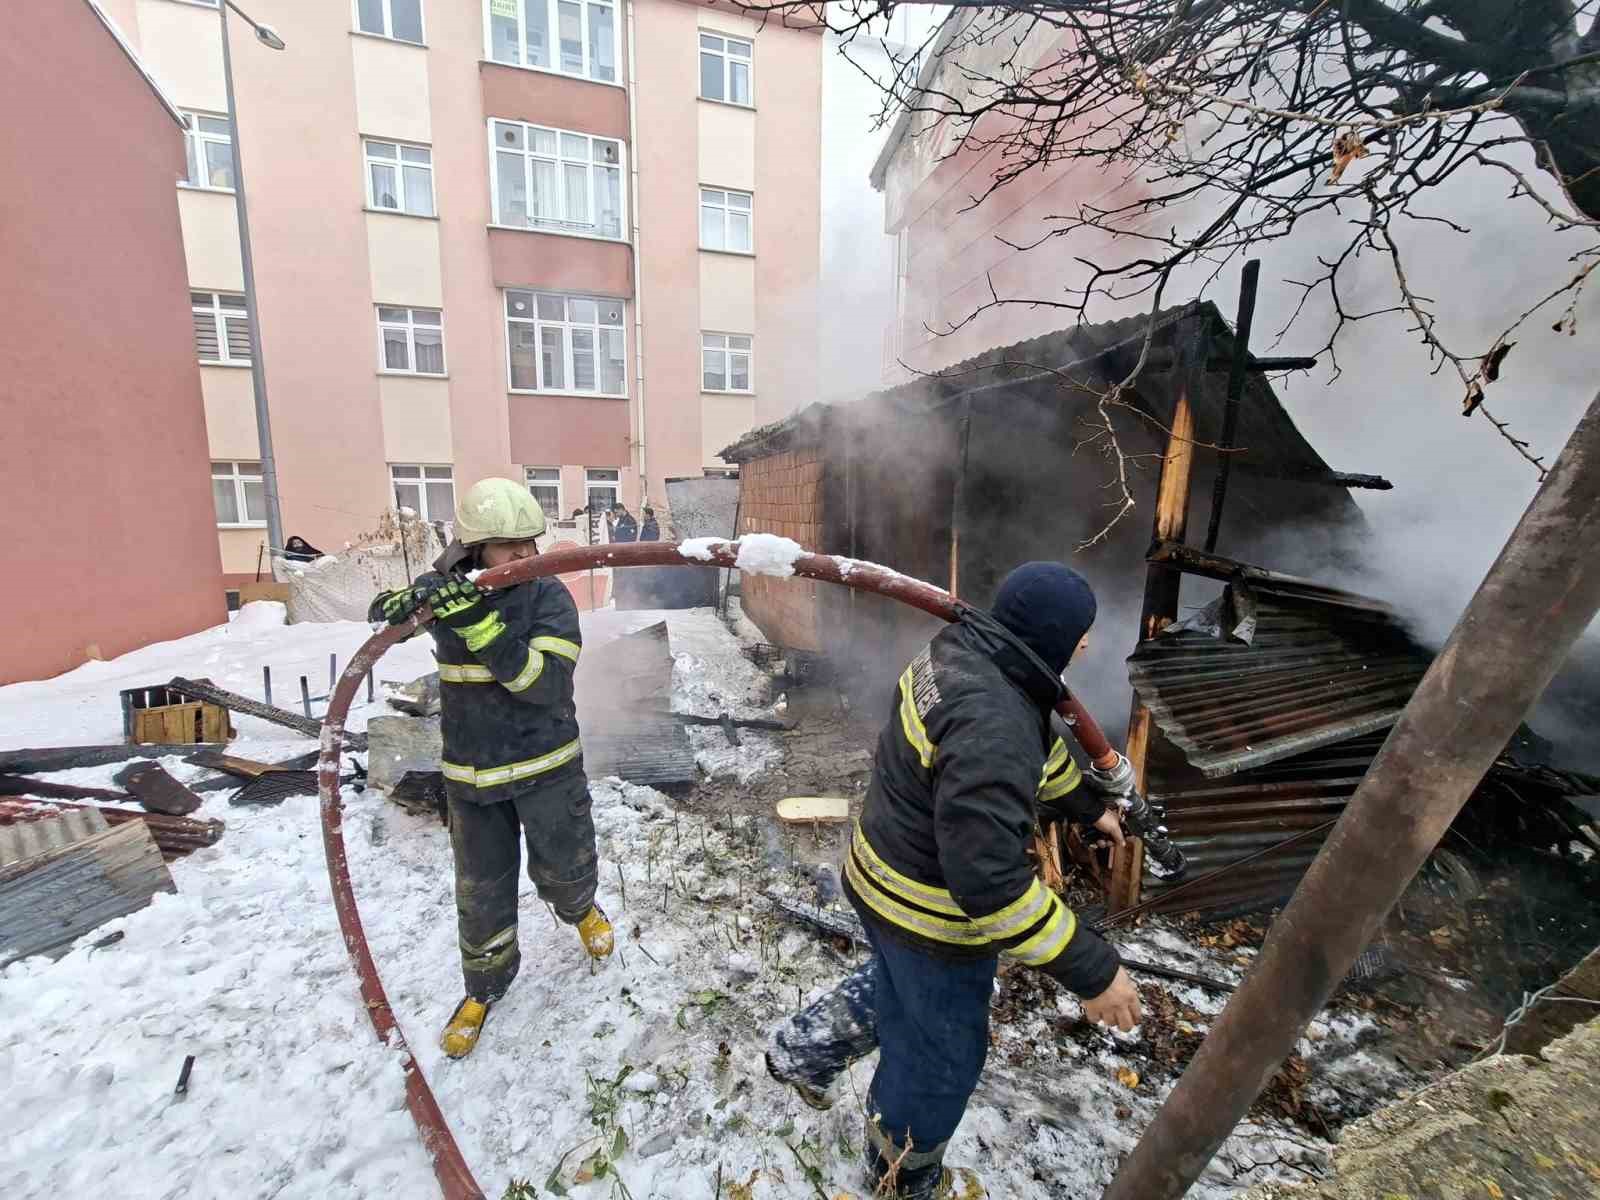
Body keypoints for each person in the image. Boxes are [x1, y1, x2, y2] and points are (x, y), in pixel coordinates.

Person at [764, 562, 1143, 1199]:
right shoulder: (994, 720)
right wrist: (1094, 972)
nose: (1087, 645)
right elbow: (990, 885)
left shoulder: (965, 654)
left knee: (901, 990)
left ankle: (807, 1050)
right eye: (1083, 633)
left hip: (879, 871)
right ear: (1059, 637)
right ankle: (900, 1179)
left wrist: (1087, 806)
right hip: (928, 915)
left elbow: (1033, 750)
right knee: (939, 1060)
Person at [370, 477, 613, 1060]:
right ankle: (483, 989)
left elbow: (545, 684)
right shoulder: (452, 593)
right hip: (473, 780)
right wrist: (405, 602)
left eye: (530, 543)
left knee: (563, 867)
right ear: (476, 550)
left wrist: (481, 629)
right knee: (482, 894)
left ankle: (581, 912)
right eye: (509, 548)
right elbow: (389, 615)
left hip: (546, 766)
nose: (524, 557)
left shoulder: (549, 598)